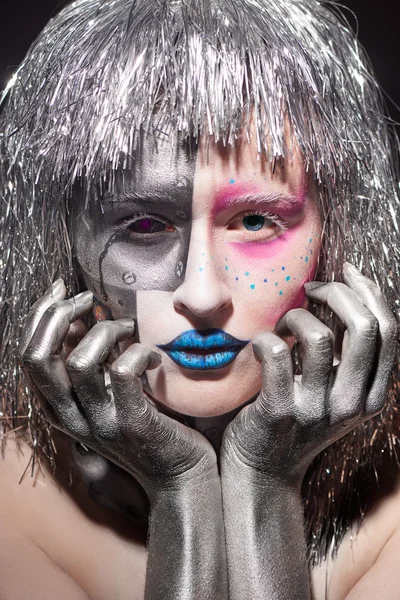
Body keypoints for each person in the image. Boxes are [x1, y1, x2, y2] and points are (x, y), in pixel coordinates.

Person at [0, 0, 399, 598]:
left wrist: (264, 483)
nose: (202, 294)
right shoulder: (14, 491)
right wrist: (181, 483)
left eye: (257, 220)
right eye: (142, 226)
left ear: (336, 232)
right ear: (66, 244)